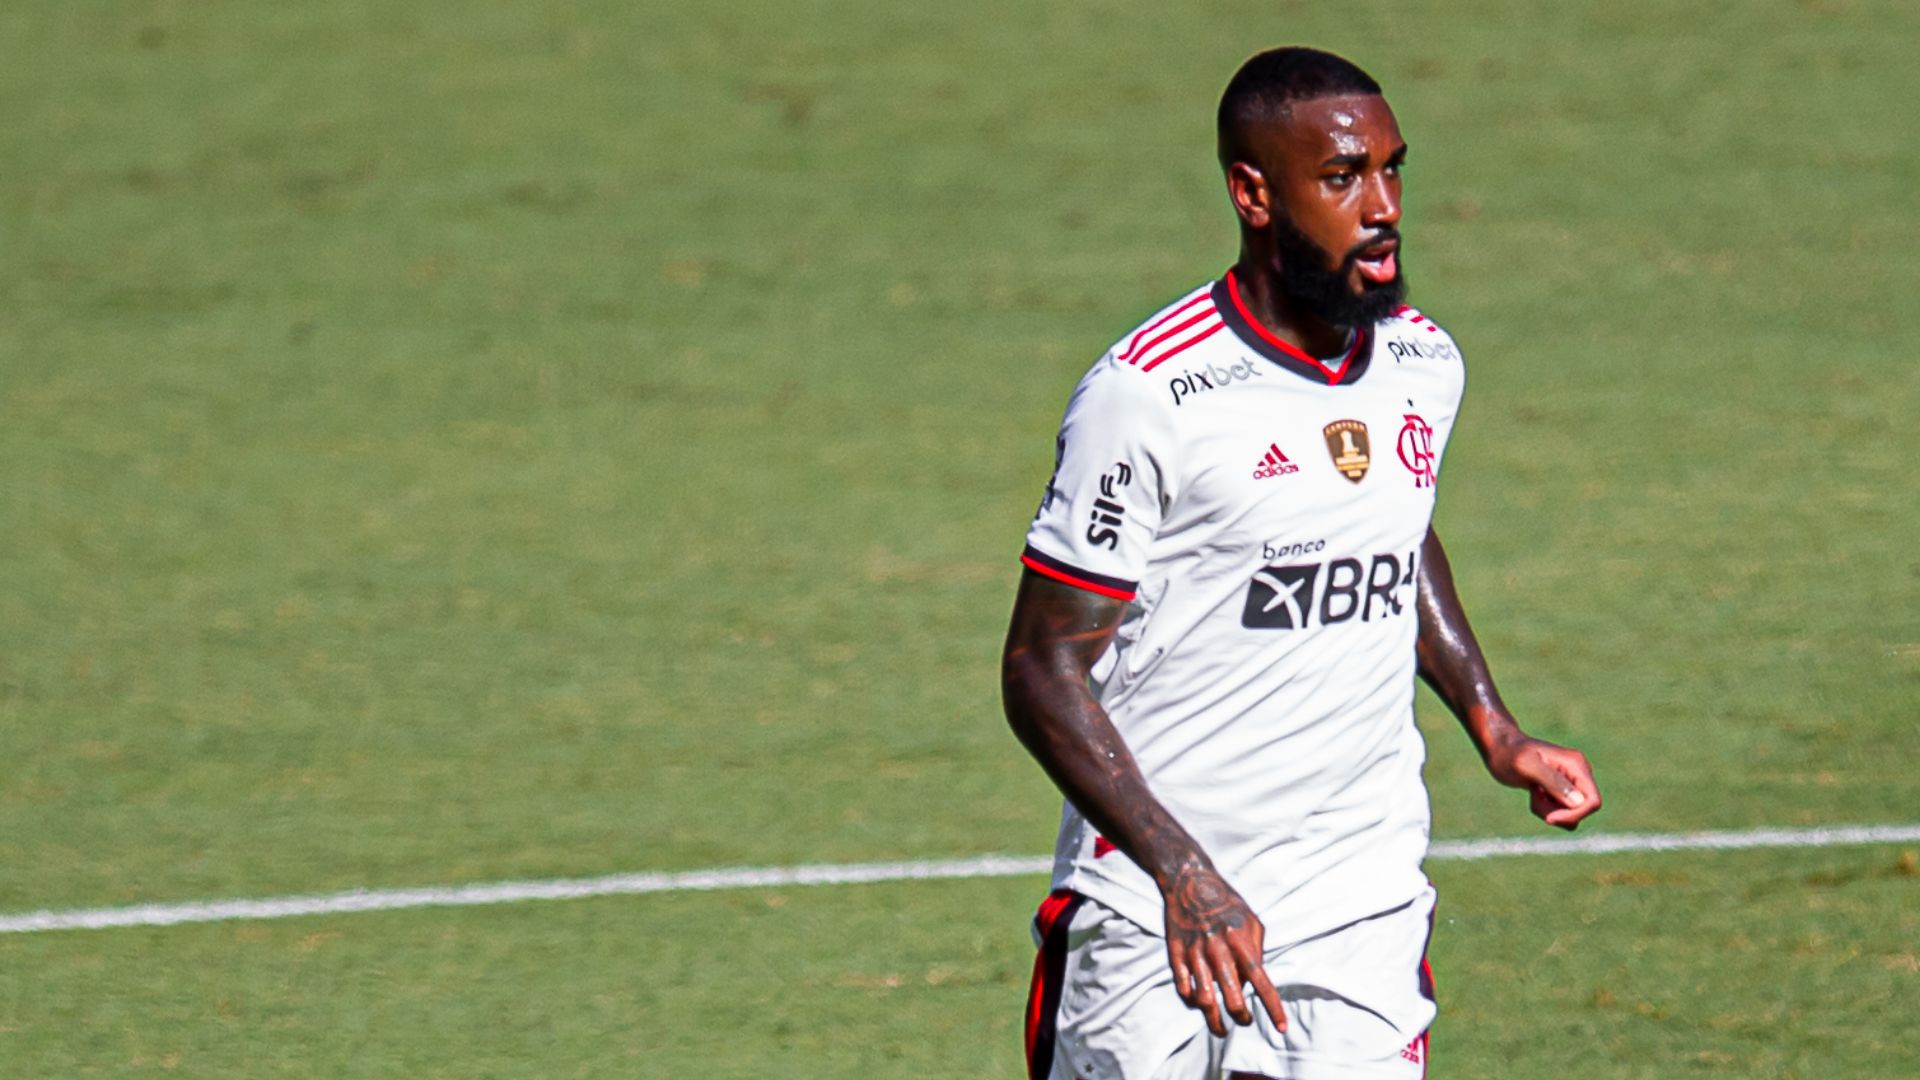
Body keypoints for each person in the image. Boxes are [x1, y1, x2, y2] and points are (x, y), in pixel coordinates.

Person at [1001, 46, 1602, 1080]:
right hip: (1155, 904)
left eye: (1392, 169)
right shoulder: (1149, 395)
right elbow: (1039, 668)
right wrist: (1183, 873)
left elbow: (1394, 527)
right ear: (1254, 194)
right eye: (1342, 177)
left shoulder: (1422, 361)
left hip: (1357, 895)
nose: (1384, 207)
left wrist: (1493, 725)